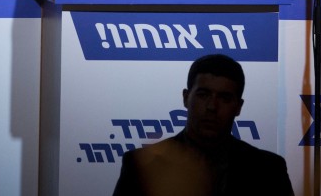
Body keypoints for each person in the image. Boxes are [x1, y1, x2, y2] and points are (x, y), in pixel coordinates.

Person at [111, 54, 293, 196]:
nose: (212, 106)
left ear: (239, 107)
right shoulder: (141, 166)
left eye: (224, 98)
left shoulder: (269, 170)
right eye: (203, 94)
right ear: (185, 98)